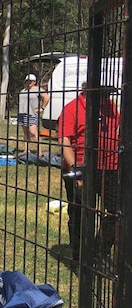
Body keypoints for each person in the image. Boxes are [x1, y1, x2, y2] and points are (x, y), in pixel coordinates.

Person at [56, 84, 120, 267]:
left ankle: (99, 251)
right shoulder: (72, 108)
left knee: (117, 211)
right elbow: (64, 140)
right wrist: (77, 171)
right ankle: (79, 257)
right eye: (103, 93)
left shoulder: (110, 106)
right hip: (82, 168)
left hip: (109, 167)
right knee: (80, 213)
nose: (106, 97)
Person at [17, 73, 49, 157]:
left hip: (32, 113)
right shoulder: (23, 90)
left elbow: (46, 97)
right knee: (26, 133)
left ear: (34, 82)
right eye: (27, 81)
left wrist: (42, 108)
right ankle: (26, 150)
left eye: (30, 81)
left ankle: (39, 151)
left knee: (33, 132)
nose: (28, 82)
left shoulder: (37, 89)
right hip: (22, 113)